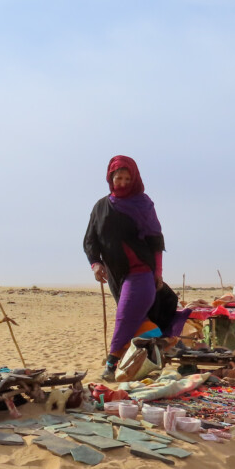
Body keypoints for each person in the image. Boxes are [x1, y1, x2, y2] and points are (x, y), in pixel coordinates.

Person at [83, 155, 188, 381]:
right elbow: (90, 240)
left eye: (126, 179)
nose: (121, 183)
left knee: (125, 315)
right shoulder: (101, 207)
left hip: (141, 272)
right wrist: (95, 264)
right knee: (137, 320)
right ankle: (161, 345)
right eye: (118, 178)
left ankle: (111, 363)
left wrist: (157, 272)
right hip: (116, 275)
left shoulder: (143, 203)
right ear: (111, 178)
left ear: (134, 179)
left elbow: (155, 241)